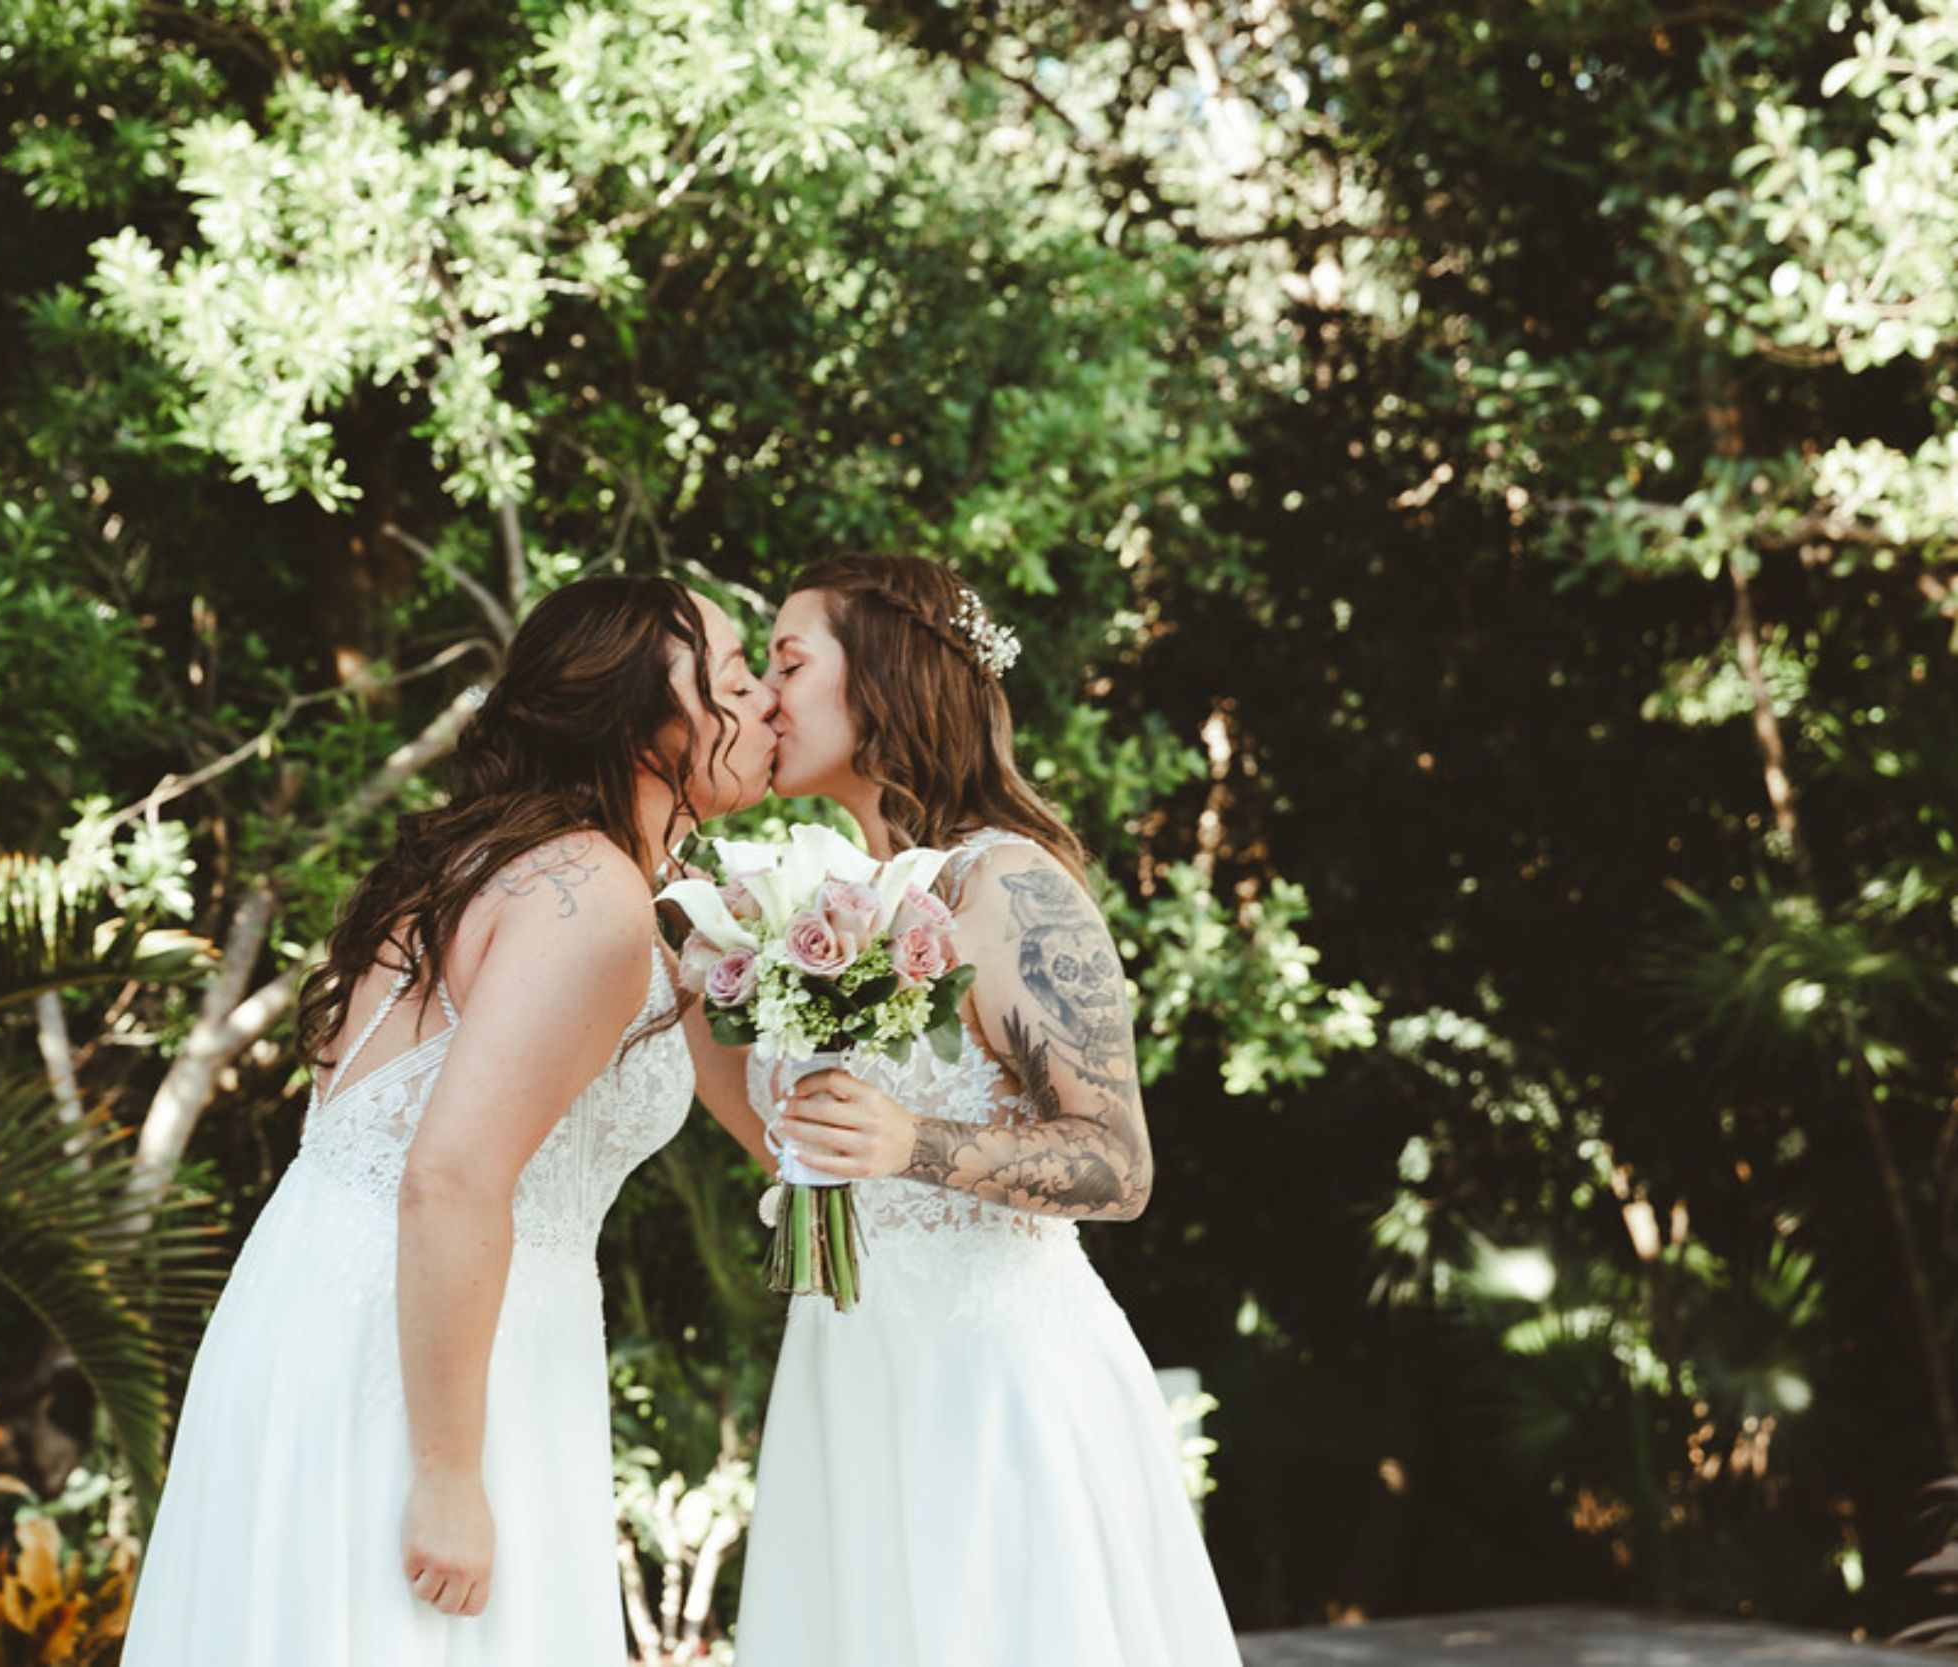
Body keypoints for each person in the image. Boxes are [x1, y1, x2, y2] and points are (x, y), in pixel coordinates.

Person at [125, 575, 778, 1664]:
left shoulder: (531, 865)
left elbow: (765, 1122)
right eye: (737, 677)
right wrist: (446, 1474)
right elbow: (450, 1178)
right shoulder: (590, 891)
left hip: (342, 1300)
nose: (764, 701)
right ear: (644, 727)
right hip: (424, 1354)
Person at [687, 554, 1243, 1666]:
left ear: (885, 673)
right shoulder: (815, 906)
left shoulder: (1010, 885)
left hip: (994, 1389)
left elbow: (1118, 1163)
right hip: (847, 1375)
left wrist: (911, 1141)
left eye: (789, 662)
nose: (765, 697)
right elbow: (782, 1142)